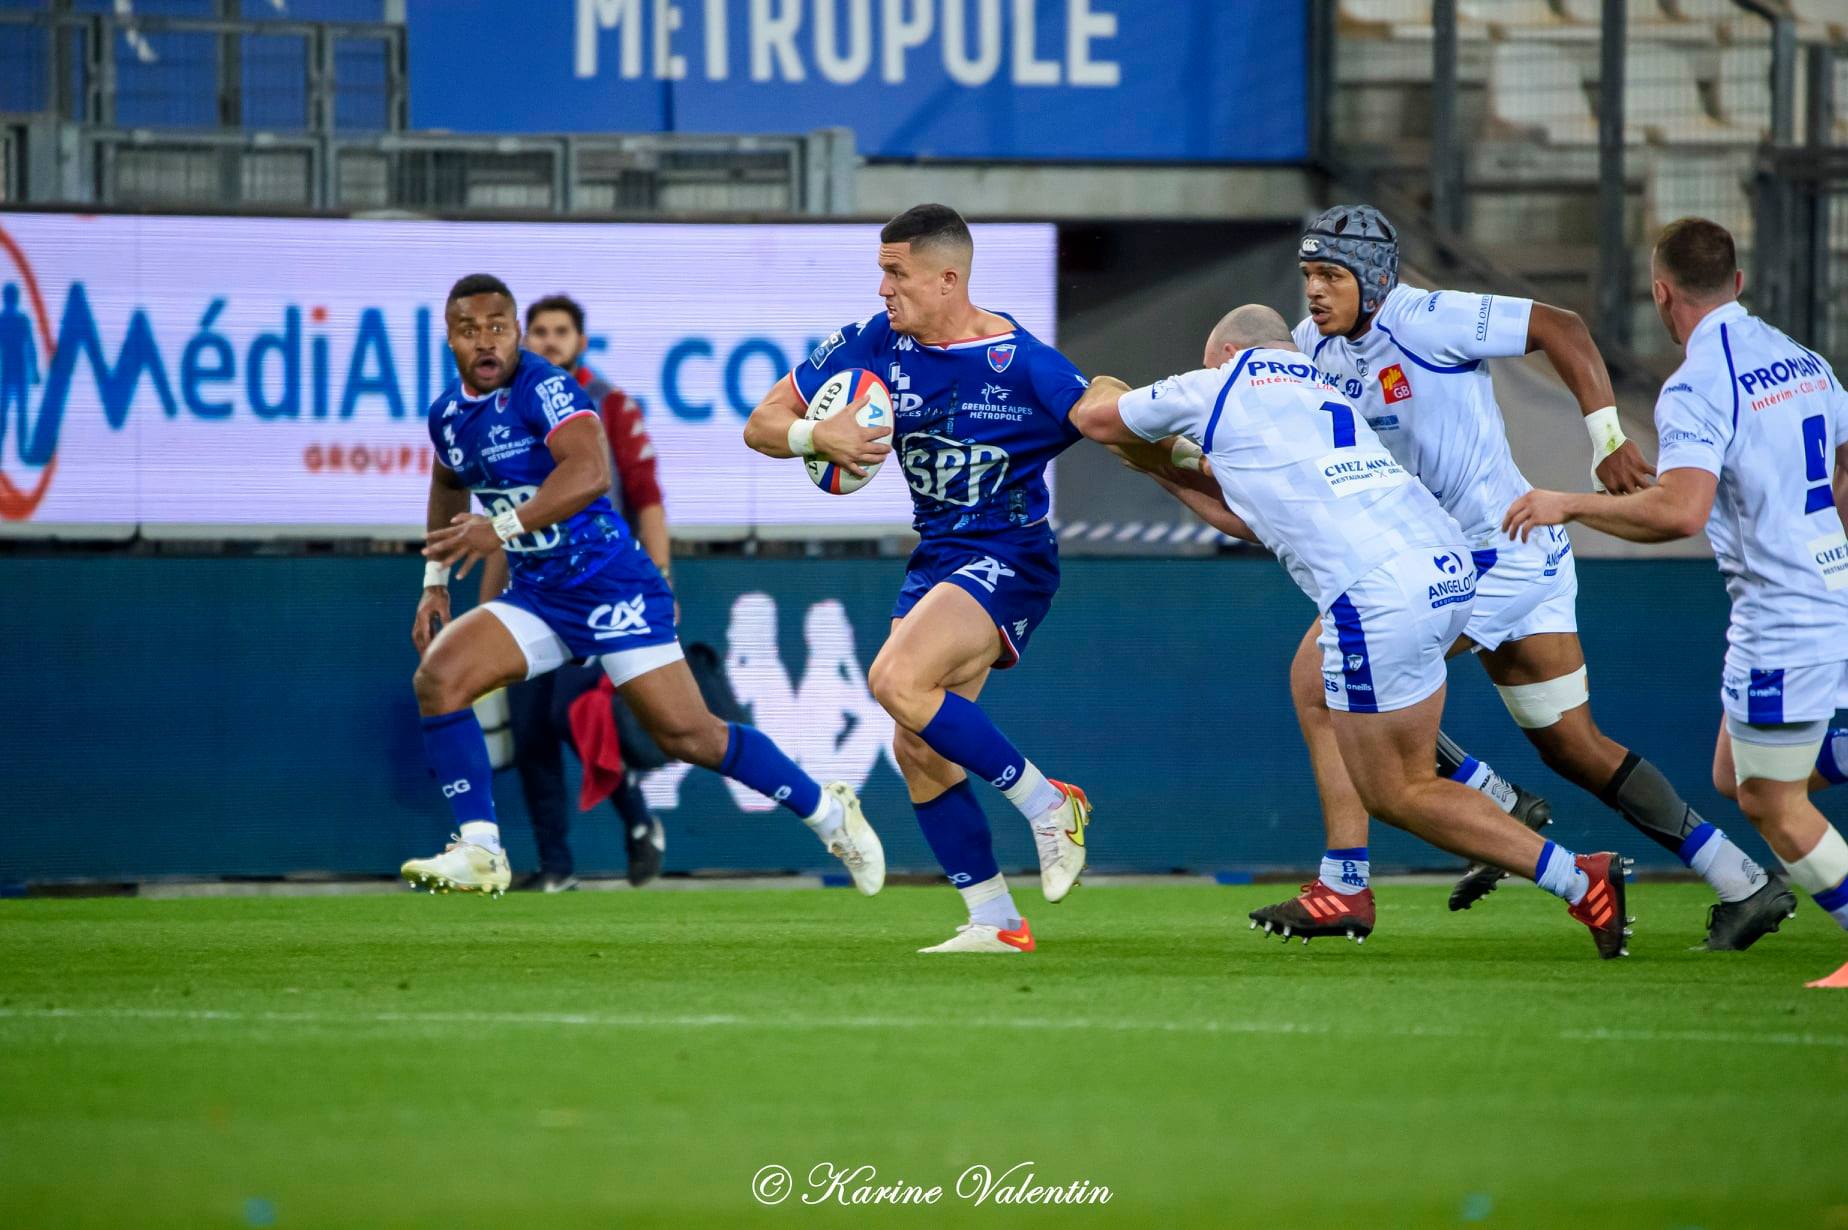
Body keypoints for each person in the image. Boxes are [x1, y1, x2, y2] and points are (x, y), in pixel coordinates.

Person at [1240, 204, 1789, 950]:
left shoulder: (1429, 318)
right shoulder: (1310, 349)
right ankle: (1743, 881)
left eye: (1330, 275)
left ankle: (1352, 880)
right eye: (1308, 275)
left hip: (1492, 553)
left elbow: (1560, 325)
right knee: (1574, 746)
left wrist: (1605, 438)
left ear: (1374, 281)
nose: (1314, 291)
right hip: (1504, 559)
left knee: (1323, 673)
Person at [1071, 304, 1634, 958]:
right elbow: (1246, 515)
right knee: (1312, 683)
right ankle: (1346, 881)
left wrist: (1096, 389)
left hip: (1375, 593)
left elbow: (1094, 417)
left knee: (1399, 791)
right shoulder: (1319, 392)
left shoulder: (1224, 382)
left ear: (1225, 353)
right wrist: (1160, 467)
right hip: (1448, 571)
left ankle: (1579, 877)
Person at [401, 273, 885, 897]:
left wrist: (501, 527)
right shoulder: (448, 414)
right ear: (449, 339)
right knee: (440, 677)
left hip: (610, 586)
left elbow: (592, 473)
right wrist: (434, 580)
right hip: (541, 595)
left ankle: (827, 812)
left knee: (690, 736)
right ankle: (482, 848)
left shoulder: (544, 386)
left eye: (499, 327)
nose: (486, 341)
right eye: (470, 331)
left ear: (517, 333)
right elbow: (447, 484)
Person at [1505, 218, 1848, 987]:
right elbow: (1842, 464)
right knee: (1734, 772)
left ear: (1661, 294)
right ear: (1739, 282)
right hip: (1830, 590)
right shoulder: (1800, 358)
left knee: (1769, 798)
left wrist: (1571, 503)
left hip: (1783, 615)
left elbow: (1681, 514)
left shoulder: (1696, 382)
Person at [744, 204, 1091, 955]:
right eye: (880, 271)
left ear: (947, 279)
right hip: (937, 557)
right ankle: (996, 922)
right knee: (917, 749)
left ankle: (1049, 803)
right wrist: (816, 434)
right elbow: (762, 421)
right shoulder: (875, 343)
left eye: (895, 273)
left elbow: (1106, 418)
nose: (882, 289)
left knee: (895, 679)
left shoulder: (1025, 364)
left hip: (1010, 555)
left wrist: (1195, 463)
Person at [476, 294, 668, 891]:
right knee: (530, 727)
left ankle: (636, 816)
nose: (550, 341)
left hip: (598, 584)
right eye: (540, 331)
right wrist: (486, 605)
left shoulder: (608, 406)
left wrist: (660, 580)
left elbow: (647, 498)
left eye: (562, 331)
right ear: (523, 339)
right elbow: (501, 519)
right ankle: (556, 866)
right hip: (530, 585)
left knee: (569, 713)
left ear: (581, 342)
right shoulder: (504, 410)